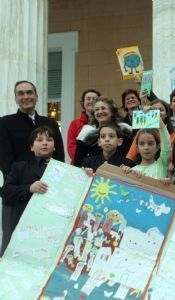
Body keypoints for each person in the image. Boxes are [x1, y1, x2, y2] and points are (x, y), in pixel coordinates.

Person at [1, 126, 56, 255]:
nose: (44, 142)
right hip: (25, 223)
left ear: (54, 146)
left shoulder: (64, 170)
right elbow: (5, 191)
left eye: (49, 139)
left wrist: (85, 174)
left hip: (51, 226)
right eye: (39, 140)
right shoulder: (19, 167)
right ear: (31, 147)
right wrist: (29, 188)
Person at [0, 81, 64, 179]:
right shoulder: (4, 123)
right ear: (16, 99)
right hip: (19, 186)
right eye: (21, 93)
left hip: (49, 184)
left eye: (29, 92)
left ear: (37, 97)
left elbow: (59, 155)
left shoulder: (51, 123)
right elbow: (5, 160)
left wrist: (53, 179)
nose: (25, 97)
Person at [74, 96, 132, 167]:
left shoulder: (124, 129)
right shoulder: (87, 133)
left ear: (112, 111)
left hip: (122, 172)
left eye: (103, 108)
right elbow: (78, 162)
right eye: (97, 110)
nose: (100, 112)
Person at [67, 89, 101, 164]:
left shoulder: (103, 122)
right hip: (79, 164)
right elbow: (71, 147)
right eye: (88, 99)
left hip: (99, 164)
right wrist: (85, 162)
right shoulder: (75, 123)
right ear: (83, 102)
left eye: (95, 99)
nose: (91, 101)